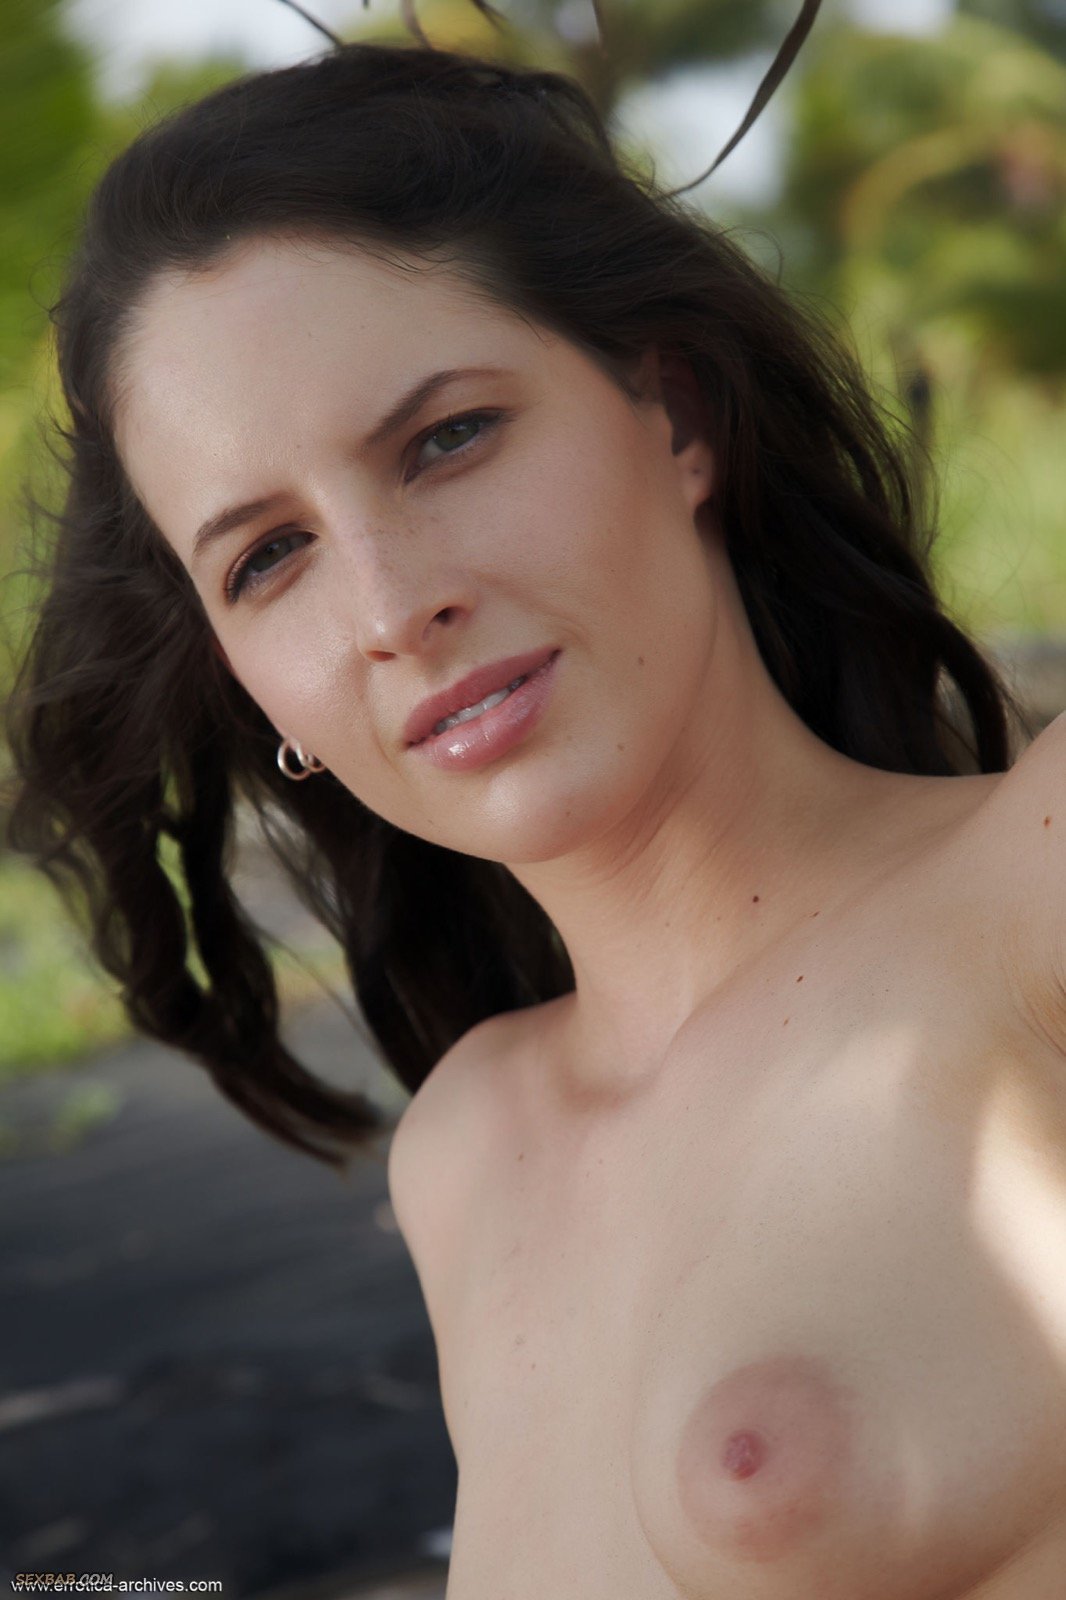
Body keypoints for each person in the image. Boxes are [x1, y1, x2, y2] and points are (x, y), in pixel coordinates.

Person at [5, 13, 1065, 1596]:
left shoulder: (1030, 889)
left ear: (675, 417)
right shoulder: (466, 1149)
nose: (391, 606)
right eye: (269, 556)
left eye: (446, 439)